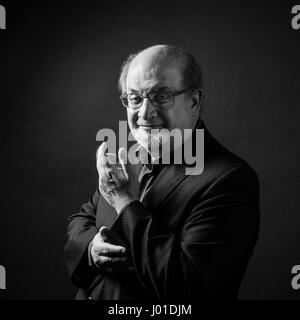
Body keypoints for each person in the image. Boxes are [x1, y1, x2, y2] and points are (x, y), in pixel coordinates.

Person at [64, 44, 260, 300]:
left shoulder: (230, 180)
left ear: (194, 101)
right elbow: (82, 222)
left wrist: (124, 201)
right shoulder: (126, 155)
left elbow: (188, 286)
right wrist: (92, 250)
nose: (144, 113)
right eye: (134, 98)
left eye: (162, 96)